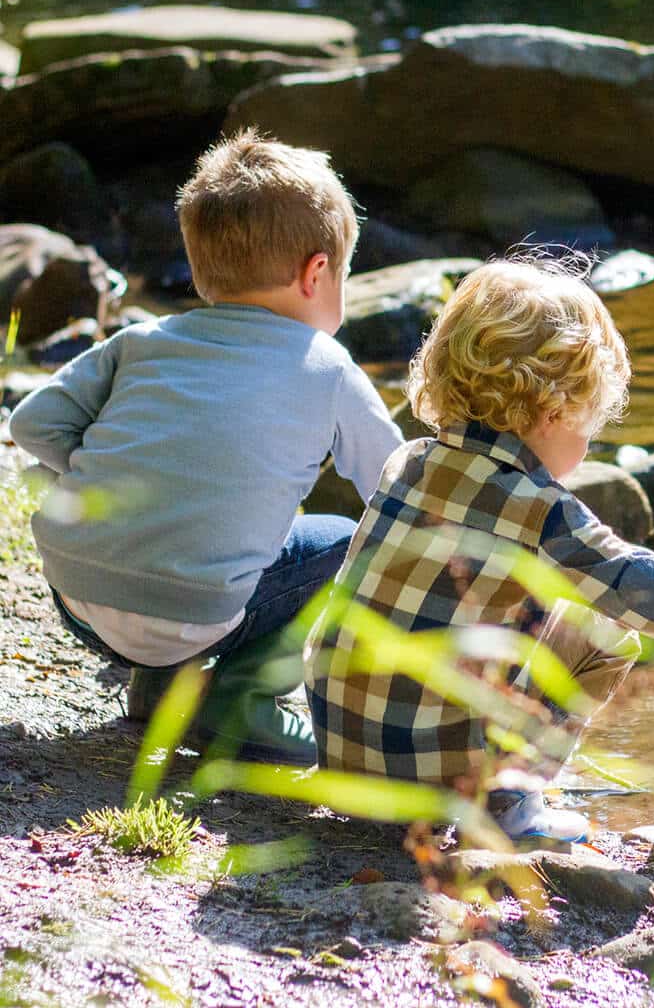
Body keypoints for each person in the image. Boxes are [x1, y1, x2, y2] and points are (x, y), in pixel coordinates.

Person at [305, 254, 654, 842]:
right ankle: (507, 802)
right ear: (552, 413)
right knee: (608, 634)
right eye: (587, 431)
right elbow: (635, 584)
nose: (587, 449)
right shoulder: (542, 509)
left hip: (345, 747)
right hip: (426, 770)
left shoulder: (407, 462)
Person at [9, 130, 402, 764]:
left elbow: (30, 425)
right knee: (339, 540)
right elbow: (398, 487)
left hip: (77, 594)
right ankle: (242, 698)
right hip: (197, 611)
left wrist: (106, 472)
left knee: (225, 533)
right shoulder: (327, 368)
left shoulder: (142, 339)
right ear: (317, 272)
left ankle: (161, 686)